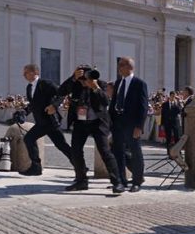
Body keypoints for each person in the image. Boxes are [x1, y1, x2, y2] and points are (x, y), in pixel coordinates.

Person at [50, 66, 124, 193]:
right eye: (81, 79)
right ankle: (81, 181)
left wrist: (95, 88)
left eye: (85, 79)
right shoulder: (75, 84)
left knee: (105, 151)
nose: (84, 82)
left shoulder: (100, 84)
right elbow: (61, 91)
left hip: (98, 122)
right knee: (76, 151)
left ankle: (117, 182)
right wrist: (73, 78)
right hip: (80, 122)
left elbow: (106, 102)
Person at [19, 64, 72, 176]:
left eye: (26, 72)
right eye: (24, 72)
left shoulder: (45, 84)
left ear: (35, 72)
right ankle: (36, 167)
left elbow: (61, 94)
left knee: (60, 145)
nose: (24, 75)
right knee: (30, 139)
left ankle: (80, 166)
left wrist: (54, 106)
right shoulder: (29, 87)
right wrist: (24, 112)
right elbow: (33, 105)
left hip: (50, 121)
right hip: (41, 122)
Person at [109, 57, 149, 192]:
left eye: (121, 65)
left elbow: (143, 107)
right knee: (117, 152)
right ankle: (121, 180)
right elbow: (114, 103)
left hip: (132, 125)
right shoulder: (118, 82)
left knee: (135, 152)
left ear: (130, 67)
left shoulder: (139, 83)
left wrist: (139, 126)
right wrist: (111, 123)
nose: (119, 68)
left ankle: (137, 181)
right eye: (118, 65)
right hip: (118, 123)